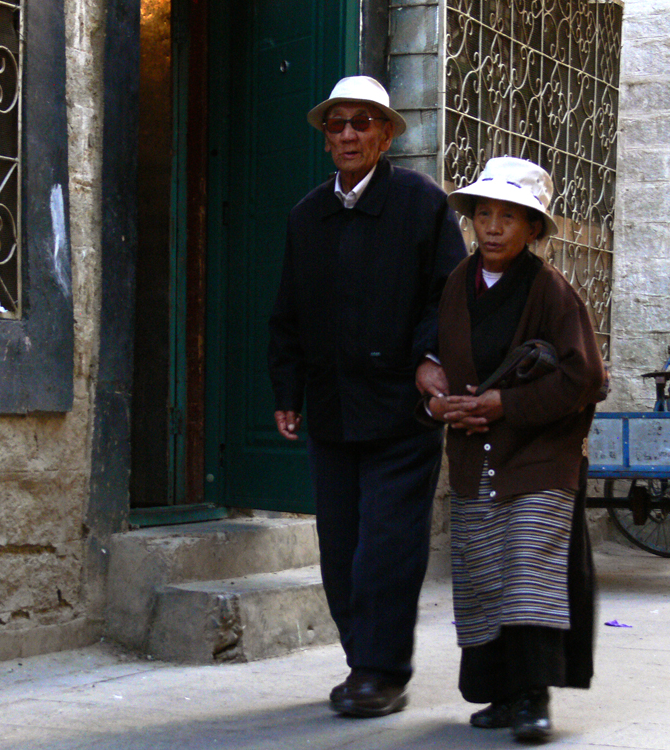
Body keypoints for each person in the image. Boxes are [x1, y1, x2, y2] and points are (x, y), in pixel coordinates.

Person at [267, 76, 467, 718]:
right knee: (341, 544)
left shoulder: (420, 204)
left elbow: (450, 295)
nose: (349, 134)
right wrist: (287, 389)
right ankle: (363, 661)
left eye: (362, 123)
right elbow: (288, 312)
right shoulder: (306, 216)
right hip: (331, 408)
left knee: (387, 545)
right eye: (337, 124)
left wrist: (432, 359)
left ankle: (382, 671)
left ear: (384, 134)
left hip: (399, 410)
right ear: (327, 138)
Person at [417, 156, 605, 741]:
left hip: (540, 460)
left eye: (510, 217)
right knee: (482, 576)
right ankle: (500, 694)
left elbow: (584, 379)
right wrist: (439, 402)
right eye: (484, 214)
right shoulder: (457, 285)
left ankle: (534, 699)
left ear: (533, 229)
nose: (493, 227)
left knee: (530, 573)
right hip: (476, 460)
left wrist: (507, 406)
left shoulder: (552, 291)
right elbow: (440, 363)